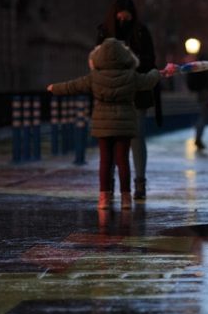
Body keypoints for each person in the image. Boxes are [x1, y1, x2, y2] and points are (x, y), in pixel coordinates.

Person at [47, 38, 162, 210]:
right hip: (125, 123)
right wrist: (158, 72)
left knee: (105, 161)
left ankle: (104, 198)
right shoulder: (131, 76)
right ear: (125, 56)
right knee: (123, 160)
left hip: (103, 124)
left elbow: (73, 86)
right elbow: (148, 81)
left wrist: (54, 88)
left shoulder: (95, 77)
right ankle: (125, 198)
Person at [97, 0, 159, 200]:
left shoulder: (141, 31)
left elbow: (150, 60)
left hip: (136, 93)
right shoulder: (104, 31)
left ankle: (139, 181)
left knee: (137, 137)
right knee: (115, 140)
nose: (124, 18)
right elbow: (96, 60)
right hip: (113, 95)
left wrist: (131, 63)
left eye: (128, 14)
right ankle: (112, 182)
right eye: (121, 14)